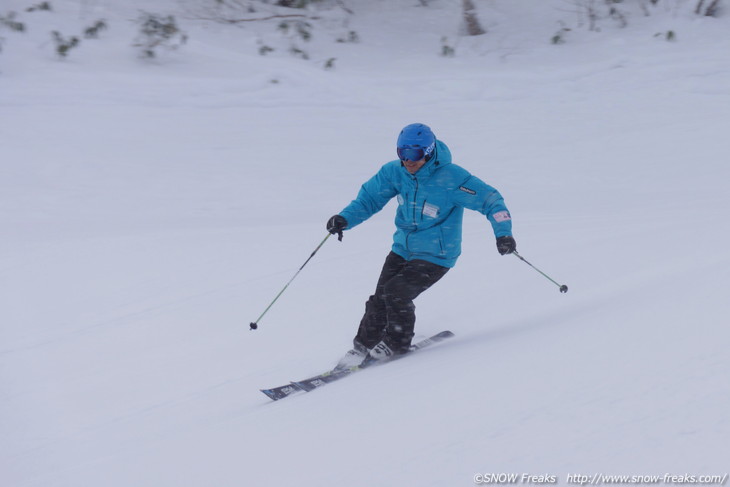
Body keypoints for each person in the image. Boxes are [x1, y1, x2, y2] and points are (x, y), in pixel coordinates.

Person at [326, 123, 516, 368]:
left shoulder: (453, 178)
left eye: (414, 154)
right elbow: (369, 199)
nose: (408, 160)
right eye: (402, 153)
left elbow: (492, 200)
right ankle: (362, 346)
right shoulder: (395, 172)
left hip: (437, 254)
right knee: (380, 296)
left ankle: (397, 342)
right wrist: (345, 219)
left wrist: (504, 234)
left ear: (428, 151)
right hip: (403, 248)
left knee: (396, 292)